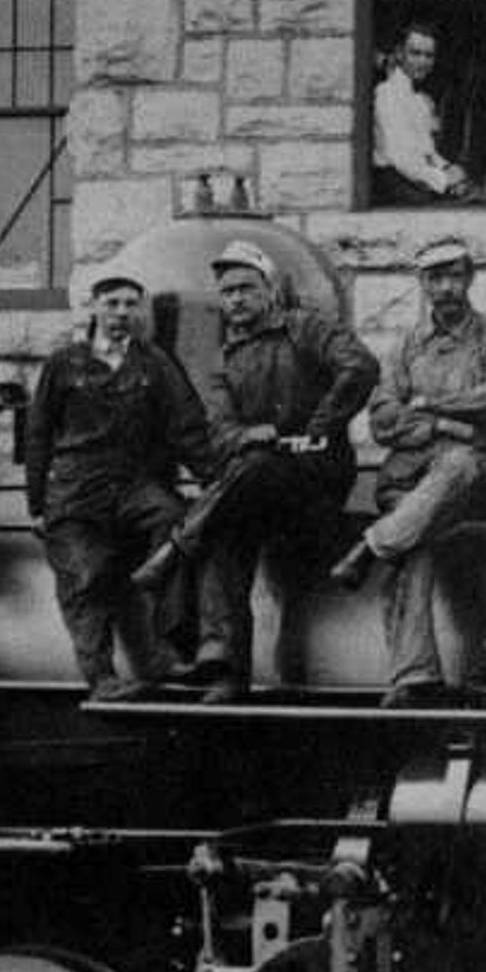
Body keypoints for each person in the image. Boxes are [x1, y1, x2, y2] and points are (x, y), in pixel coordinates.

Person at [151, 242, 375, 704]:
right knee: (227, 525)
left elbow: (360, 365)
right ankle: (226, 669)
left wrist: (320, 425)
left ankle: (177, 548)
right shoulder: (223, 359)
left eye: (246, 288)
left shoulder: (306, 328)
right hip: (255, 487)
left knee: (243, 484)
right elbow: (220, 430)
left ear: (269, 289)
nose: (236, 299)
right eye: (228, 291)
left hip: (315, 481)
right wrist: (252, 435)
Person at [331, 236, 486, 707]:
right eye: (436, 278)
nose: (446, 287)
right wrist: (442, 424)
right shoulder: (404, 347)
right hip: (409, 481)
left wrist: (430, 404)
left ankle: (372, 545)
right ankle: (416, 676)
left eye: (455, 276)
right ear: (423, 284)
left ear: (470, 278)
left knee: (456, 462)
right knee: (416, 541)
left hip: (473, 477)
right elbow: (382, 420)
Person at [21, 266, 211, 704]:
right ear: (94, 308)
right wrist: (36, 506)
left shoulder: (155, 362)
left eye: (130, 304)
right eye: (112, 304)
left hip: (134, 486)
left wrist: (212, 479)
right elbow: (38, 434)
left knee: (174, 520)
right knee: (85, 577)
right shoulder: (63, 363)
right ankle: (101, 676)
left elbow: (187, 426)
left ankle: (167, 648)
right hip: (75, 490)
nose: (121, 313)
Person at [369, 22, 472, 201]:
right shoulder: (386, 94)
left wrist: (447, 167)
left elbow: (427, 152)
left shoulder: (420, 101)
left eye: (429, 56)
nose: (423, 62)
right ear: (400, 54)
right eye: (415, 53)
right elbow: (400, 159)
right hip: (398, 186)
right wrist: (445, 181)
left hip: (419, 181)